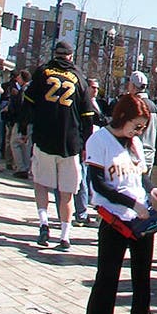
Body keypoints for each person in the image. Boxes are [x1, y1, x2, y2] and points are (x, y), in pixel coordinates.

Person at [81, 93, 157, 314]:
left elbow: (140, 177)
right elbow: (99, 184)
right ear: (122, 117)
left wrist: (151, 190)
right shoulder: (99, 140)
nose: (139, 131)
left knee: (142, 280)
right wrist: (130, 202)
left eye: (143, 127)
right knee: (107, 280)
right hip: (114, 218)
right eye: (136, 125)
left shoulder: (136, 144)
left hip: (140, 218)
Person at [24, 40, 97, 251]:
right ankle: (65, 236)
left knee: (41, 183)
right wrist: (85, 144)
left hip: (44, 137)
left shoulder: (42, 72)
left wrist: (24, 128)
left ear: (54, 54)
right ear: (71, 56)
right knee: (67, 192)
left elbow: (28, 103)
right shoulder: (80, 79)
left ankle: (44, 223)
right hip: (70, 142)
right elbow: (88, 116)